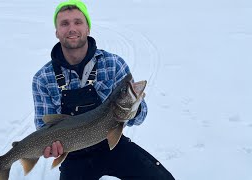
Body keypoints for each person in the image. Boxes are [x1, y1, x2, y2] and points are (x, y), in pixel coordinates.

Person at [32, 0, 175, 179]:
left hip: (112, 145)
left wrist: (133, 107)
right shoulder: (43, 78)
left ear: (88, 28)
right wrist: (50, 146)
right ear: (57, 32)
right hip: (73, 155)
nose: (72, 28)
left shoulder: (114, 64)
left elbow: (141, 115)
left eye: (78, 22)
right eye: (64, 23)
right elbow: (43, 127)